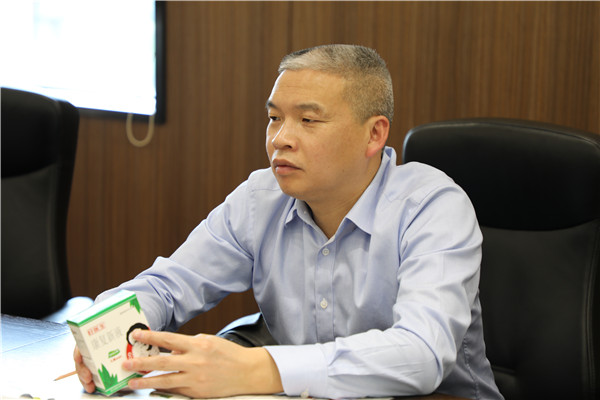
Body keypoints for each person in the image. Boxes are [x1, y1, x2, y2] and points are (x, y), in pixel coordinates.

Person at [74, 44, 503, 399]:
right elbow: (166, 287)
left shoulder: (432, 206)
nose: (280, 139)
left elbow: (422, 353)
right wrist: (106, 332)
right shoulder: (261, 198)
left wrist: (260, 368)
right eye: (274, 118)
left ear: (374, 134)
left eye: (308, 120)